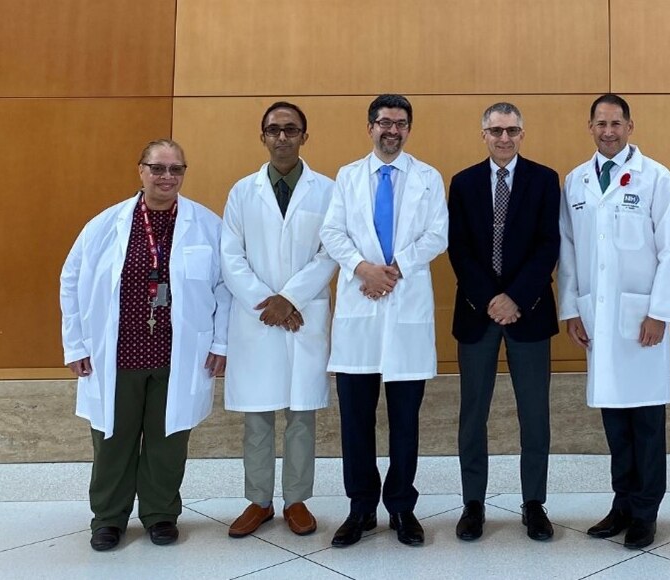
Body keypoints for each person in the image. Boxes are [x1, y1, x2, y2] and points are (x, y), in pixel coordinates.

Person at [60, 139, 230, 551]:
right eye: (158, 168)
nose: (167, 177)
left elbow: (226, 288)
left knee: (168, 439)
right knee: (113, 439)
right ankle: (108, 518)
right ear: (141, 170)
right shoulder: (106, 224)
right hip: (116, 353)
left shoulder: (206, 225)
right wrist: (76, 344)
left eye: (176, 170)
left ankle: (160, 514)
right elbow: (71, 281)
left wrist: (222, 342)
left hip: (178, 353)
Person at [320, 94, 449, 548]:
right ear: (370, 127)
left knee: (405, 423)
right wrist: (362, 269)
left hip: (405, 306)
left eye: (399, 123)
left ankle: (401, 508)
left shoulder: (428, 177)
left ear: (408, 129)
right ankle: (360, 509)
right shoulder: (348, 176)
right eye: (383, 122)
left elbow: (438, 234)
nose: (391, 130)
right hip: (360, 308)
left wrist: (393, 269)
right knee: (356, 422)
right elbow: (332, 232)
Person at [558, 94, 670, 549]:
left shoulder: (657, 178)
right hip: (599, 319)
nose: (608, 131)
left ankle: (646, 511)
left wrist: (658, 313)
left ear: (631, 126)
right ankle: (622, 504)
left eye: (616, 123)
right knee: (614, 420)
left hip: (641, 320)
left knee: (646, 421)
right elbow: (568, 250)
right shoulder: (575, 182)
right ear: (589, 127)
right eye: (600, 123)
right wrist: (571, 307)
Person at [222, 102, 337, 539]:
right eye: (274, 130)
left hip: (302, 315)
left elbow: (331, 252)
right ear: (263, 136)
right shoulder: (241, 192)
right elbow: (231, 256)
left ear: (305, 136)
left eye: (291, 129)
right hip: (258, 319)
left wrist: (288, 299)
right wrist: (266, 302)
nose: (283, 137)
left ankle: (296, 501)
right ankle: (259, 500)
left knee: (301, 414)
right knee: (257, 415)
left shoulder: (326, 191)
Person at [447, 102, 560, 542]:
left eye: (512, 130)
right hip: (477, 313)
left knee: (535, 414)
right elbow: (458, 249)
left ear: (522, 133)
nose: (504, 138)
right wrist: (491, 298)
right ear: (484, 134)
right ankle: (472, 503)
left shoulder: (545, 180)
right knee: (472, 414)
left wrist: (514, 298)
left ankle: (534, 503)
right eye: (496, 130)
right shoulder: (463, 183)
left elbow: (549, 245)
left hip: (528, 312)